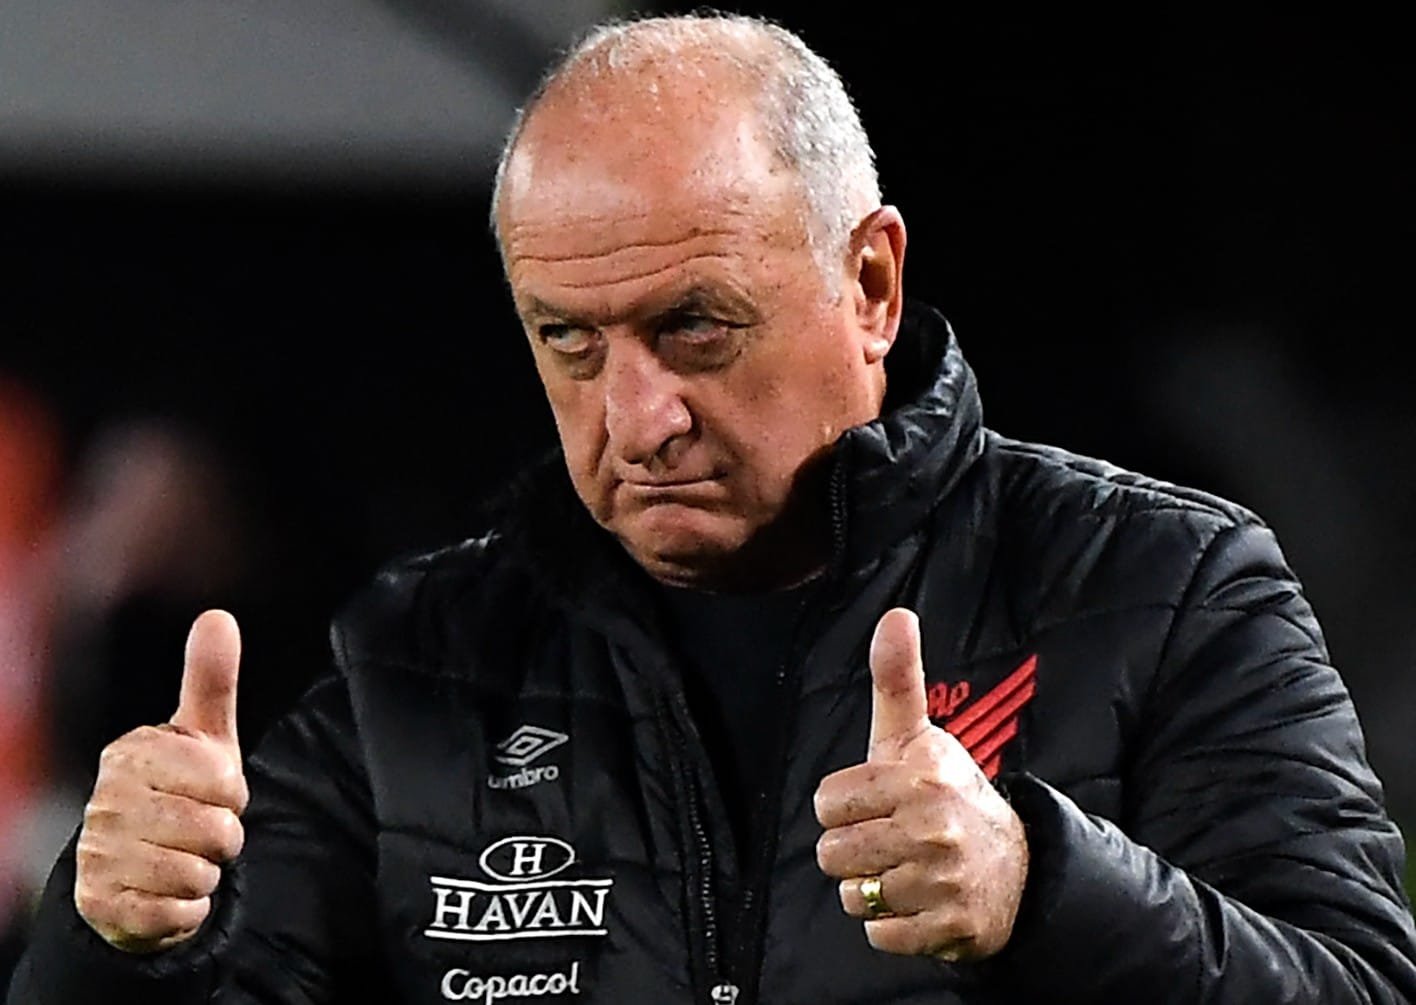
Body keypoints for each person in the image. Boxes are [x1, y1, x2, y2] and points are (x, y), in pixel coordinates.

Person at [8, 13, 1416, 1004]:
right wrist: (120, 933)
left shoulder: (1168, 587)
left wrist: (1045, 887)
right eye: (569, 341)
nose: (637, 416)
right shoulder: (421, 655)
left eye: (694, 327)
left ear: (868, 287)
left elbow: (1356, 980)